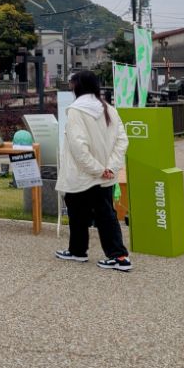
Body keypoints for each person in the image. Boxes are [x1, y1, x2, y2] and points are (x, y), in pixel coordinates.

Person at [55, 70, 131, 271]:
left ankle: (80, 251)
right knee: (106, 213)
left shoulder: (75, 111)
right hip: (104, 175)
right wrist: (109, 168)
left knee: (77, 212)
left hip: (81, 174)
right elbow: (122, 141)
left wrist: (98, 169)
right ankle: (117, 255)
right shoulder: (109, 109)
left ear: (78, 86)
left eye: (72, 84)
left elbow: (78, 147)